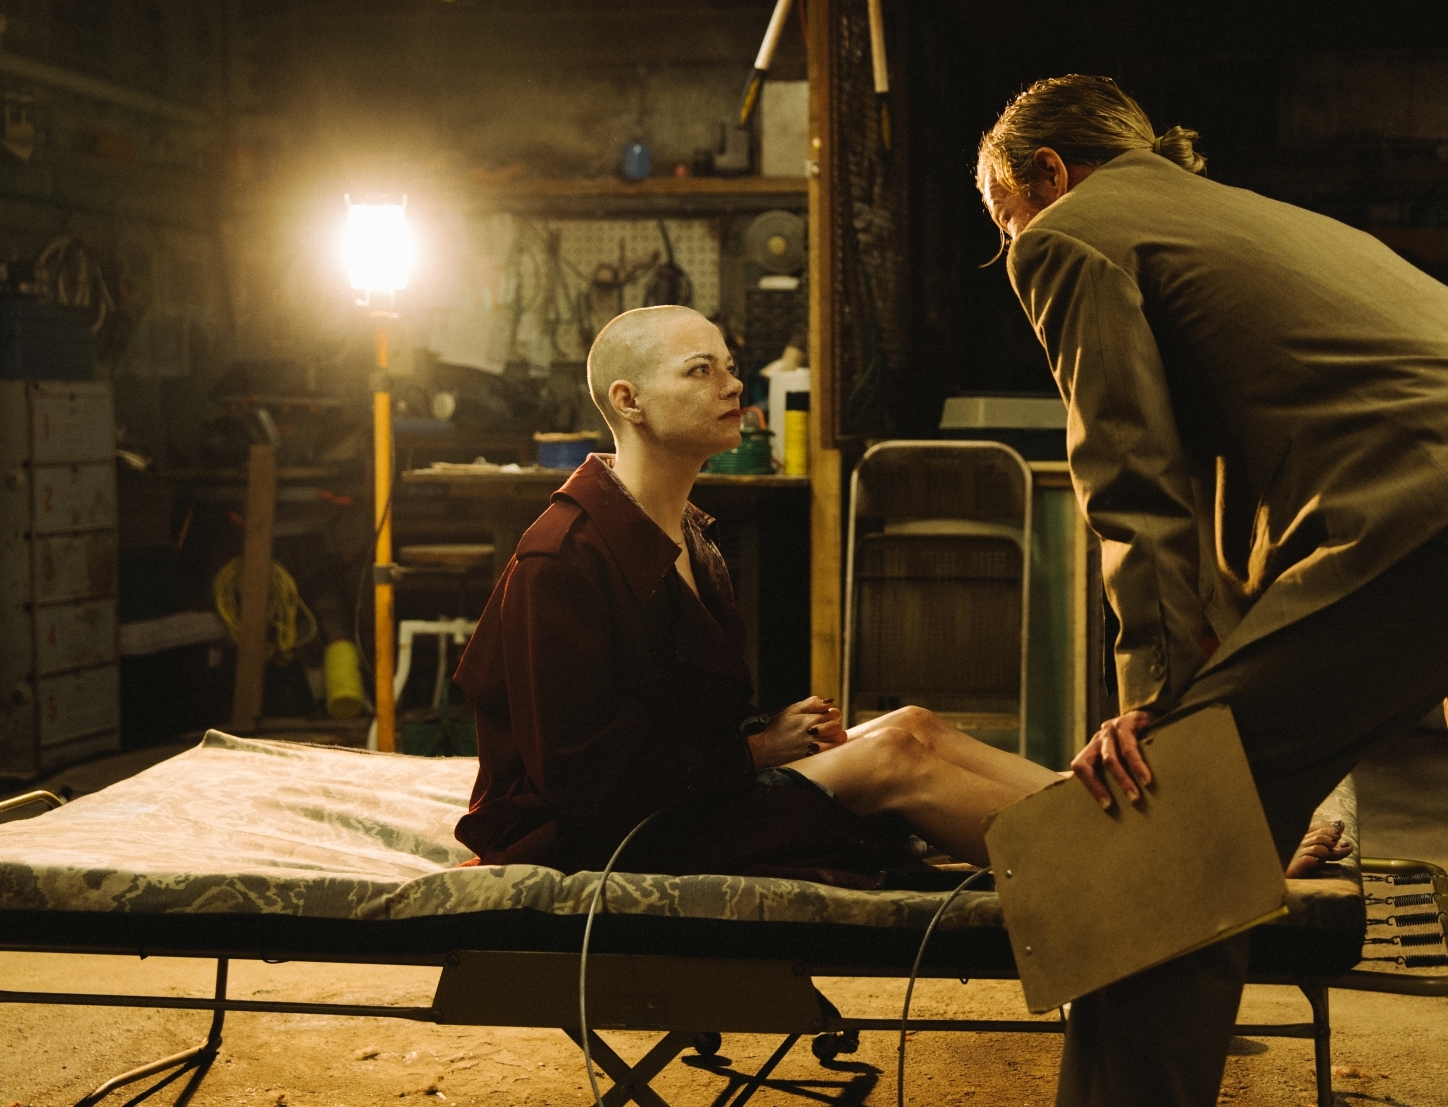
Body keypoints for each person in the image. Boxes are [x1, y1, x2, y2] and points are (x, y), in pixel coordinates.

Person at [977, 74, 1448, 1106]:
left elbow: (1129, 472)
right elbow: (1252, 467)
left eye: (1006, 218)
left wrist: (1159, 704)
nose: (1012, 244)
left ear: (1049, 172)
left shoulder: (1072, 232)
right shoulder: (1238, 214)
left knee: (1173, 823)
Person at [453, 304, 1359, 884]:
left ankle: (1166, 831)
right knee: (890, 763)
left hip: (681, 804)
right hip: (607, 840)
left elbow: (679, 717)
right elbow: (594, 788)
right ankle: (1175, 870)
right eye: (700, 371)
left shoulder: (691, 534)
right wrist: (759, 749)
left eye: (729, 364)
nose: (732, 385)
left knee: (913, 724)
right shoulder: (563, 560)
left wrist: (768, 738)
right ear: (629, 401)